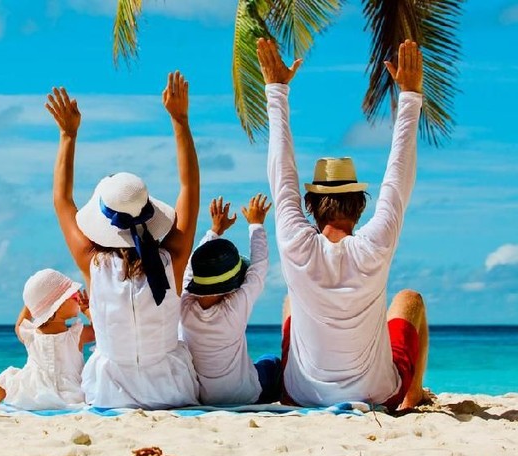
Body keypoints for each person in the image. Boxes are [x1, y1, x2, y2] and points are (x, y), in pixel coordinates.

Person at [258, 37, 430, 412]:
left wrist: (277, 91)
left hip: (299, 395)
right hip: (378, 393)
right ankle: (412, 396)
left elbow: (282, 175)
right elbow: (398, 178)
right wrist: (410, 98)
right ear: (360, 204)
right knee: (409, 301)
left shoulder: (295, 241)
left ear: (309, 205)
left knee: (291, 301)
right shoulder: (374, 243)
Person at [45, 72, 200, 409]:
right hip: (171, 389)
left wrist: (67, 135)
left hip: (109, 392)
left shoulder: (92, 261)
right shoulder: (172, 257)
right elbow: (189, 188)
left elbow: (62, 201)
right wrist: (180, 121)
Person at [180, 193, 283, 406]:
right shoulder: (233, 309)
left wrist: (214, 230)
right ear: (230, 287)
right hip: (246, 395)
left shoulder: (184, 305)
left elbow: (192, 268)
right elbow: (259, 269)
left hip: (203, 397)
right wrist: (256, 224)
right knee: (271, 363)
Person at [0, 269, 94, 412]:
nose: (78, 297)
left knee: (6, 378)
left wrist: (33, 305)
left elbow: (19, 325)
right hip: (70, 394)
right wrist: (87, 310)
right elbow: (100, 332)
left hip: (34, 392)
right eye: (73, 295)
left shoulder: (31, 334)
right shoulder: (76, 334)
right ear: (57, 306)